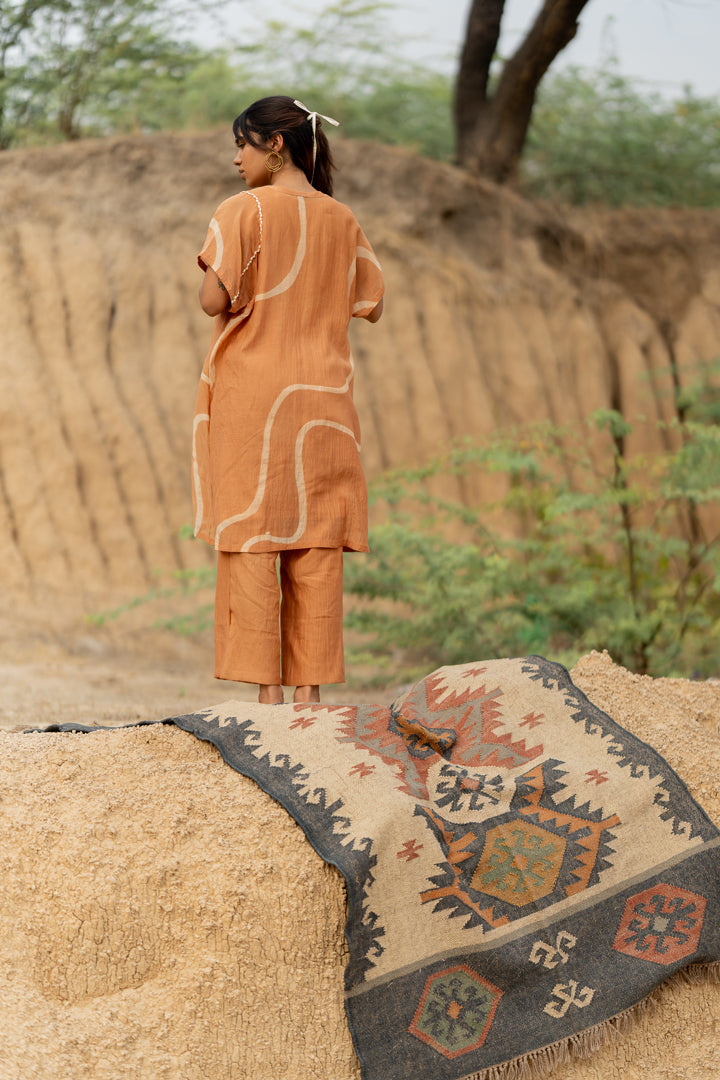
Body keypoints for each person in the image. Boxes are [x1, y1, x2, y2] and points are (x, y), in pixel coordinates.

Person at [193, 95, 385, 706]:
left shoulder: (242, 209)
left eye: (241, 145)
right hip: (326, 404)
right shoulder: (342, 218)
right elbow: (369, 299)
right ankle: (310, 702)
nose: (234, 159)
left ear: (274, 145)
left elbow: (211, 301)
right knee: (316, 543)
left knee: (254, 538)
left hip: (256, 400)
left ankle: (268, 700)